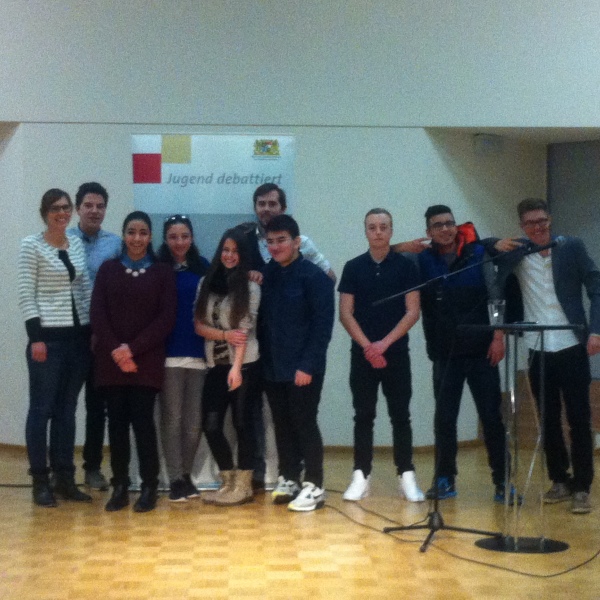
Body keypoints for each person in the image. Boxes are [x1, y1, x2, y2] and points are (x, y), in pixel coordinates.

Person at [492, 198, 600, 514]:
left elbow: (596, 286)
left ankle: (582, 486)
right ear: (522, 226)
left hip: (571, 343)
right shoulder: (517, 251)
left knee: (579, 418)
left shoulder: (571, 247)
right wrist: (495, 244)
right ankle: (559, 480)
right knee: (548, 419)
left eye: (542, 220)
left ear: (550, 219)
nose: (538, 227)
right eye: (531, 223)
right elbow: (489, 267)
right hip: (537, 348)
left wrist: (596, 330)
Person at [417, 205, 508, 502]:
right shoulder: (423, 260)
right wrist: (402, 246)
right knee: (444, 419)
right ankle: (445, 479)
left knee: (491, 418)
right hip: (444, 354)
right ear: (429, 231)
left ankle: (503, 481)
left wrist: (498, 335)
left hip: (483, 351)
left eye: (449, 223)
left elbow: (495, 296)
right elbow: (384, 251)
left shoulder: (478, 254)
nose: (445, 229)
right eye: (438, 225)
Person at [91, 211, 176, 513]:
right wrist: (118, 351)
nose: (136, 238)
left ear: (150, 237)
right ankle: (120, 486)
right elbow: (97, 314)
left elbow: (166, 318)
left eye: (142, 232)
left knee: (143, 424)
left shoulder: (163, 272)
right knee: (116, 425)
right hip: (111, 362)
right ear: (124, 235)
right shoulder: (108, 269)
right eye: (131, 232)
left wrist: (132, 350)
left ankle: (149, 486)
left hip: (146, 362)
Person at [339, 208, 425, 502]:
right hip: (362, 355)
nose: (378, 232)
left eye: (383, 227)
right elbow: (346, 313)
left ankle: (406, 474)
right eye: (372, 227)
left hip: (396, 353)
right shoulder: (353, 267)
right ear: (366, 231)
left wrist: (384, 344)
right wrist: (368, 346)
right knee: (363, 415)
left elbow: (412, 311)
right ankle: (361, 475)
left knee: (400, 415)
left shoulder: (406, 267)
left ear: (391, 231)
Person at [18, 188, 93, 506]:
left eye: (65, 207)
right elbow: (26, 294)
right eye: (54, 208)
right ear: (44, 213)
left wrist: (92, 333)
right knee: (41, 410)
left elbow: (84, 289)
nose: (61, 213)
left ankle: (65, 479)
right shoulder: (31, 245)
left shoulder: (76, 244)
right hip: (47, 341)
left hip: (78, 341)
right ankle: (40, 480)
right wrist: (36, 338)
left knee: (66, 412)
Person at [260, 214, 334, 512]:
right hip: (273, 367)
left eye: (282, 240)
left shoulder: (315, 277)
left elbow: (322, 327)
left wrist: (307, 365)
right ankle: (289, 477)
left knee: (305, 422)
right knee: (282, 424)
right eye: (270, 241)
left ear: (297, 242)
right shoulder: (268, 274)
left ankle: (315, 485)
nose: (276, 246)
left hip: (304, 368)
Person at [194, 228, 261, 506]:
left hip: (244, 365)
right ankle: (228, 481)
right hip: (215, 364)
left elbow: (243, 332)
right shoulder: (206, 282)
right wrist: (223, 335)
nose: (230, 256)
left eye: (235, 251)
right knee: (211, 425)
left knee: (243, 424)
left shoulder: (251, 287)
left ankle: (244, 487)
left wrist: (236, 368)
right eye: (225, 250)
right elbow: (199, 325)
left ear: (243, 255)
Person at [68, 182, 121, 491]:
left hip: (102, 335)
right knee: (64, 405)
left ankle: (92, 468)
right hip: (70, 332)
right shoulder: (63, 240)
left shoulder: (115, 244)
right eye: (88, 205)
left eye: (100, 206)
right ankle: (61, 469)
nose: (94, 211)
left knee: (97, 405)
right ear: (78, 208)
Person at [157, 215, 210, 502]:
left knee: (193, 422)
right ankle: (175, 478)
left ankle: (187, 475)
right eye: (173, 237)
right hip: (169, 356)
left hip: (200, 355)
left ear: (192, 238)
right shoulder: (158, 268)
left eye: (184, 236)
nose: (179, 242)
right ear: (166, 240)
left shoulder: (204, 268)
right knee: (172, 419)